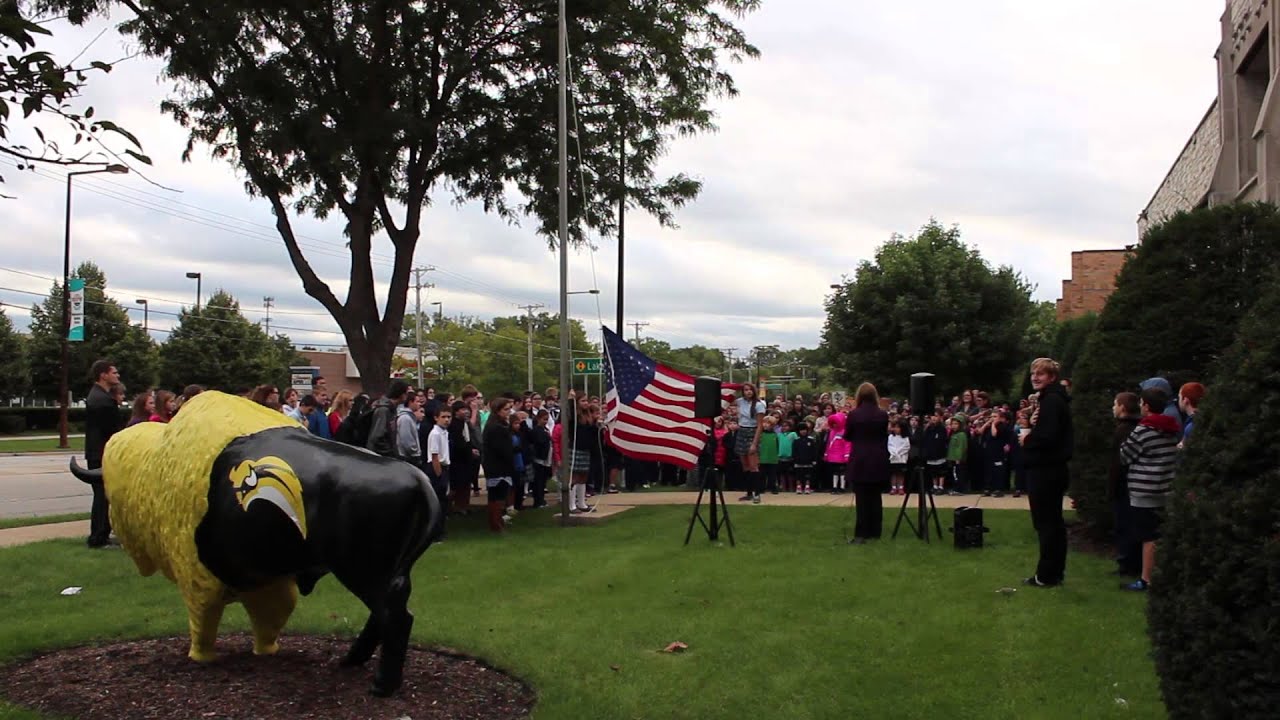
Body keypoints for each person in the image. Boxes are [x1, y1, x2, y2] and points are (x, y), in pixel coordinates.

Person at [1118, 387, 1181, 592]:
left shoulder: (1144, 429)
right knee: (1161, 533)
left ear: (1146, 405)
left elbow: (1125, 456)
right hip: (1165, 485)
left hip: (1145, 488)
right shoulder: (1172, 428)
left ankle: (1147, 578)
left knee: (1148, 536)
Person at [1020, 357, 1074, 588]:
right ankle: (1053, 572)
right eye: (1033, 373)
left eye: (1040, 374)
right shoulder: (1051, 400)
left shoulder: (1052, 401)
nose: (1035, 377)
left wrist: (1028, 437)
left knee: (1047, 524)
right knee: (1052, 523)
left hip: (1046, 470)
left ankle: (1046, 575)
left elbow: (1049, 437)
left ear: (1051, 377)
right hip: (1050, 469)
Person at [83, 360, 122, 549]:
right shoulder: (103, 400)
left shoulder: (99, 396)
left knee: (104, 495)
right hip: (101, 453)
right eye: (114, 372)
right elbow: (111, 430)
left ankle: (102, 534)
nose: (117, 375)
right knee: (101, 496)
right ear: (103, 375)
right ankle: (98, 538)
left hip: (97, 452)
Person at [845, 382, 889, 543]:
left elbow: (848, 435)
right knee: (876, 497)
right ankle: (875, 531)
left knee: (862, 497)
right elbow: (884, 434)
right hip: (878, 457)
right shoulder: (882, 414)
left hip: (860, 458)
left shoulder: (854, 415)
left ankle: (861, 533)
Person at [1108, 391, 1142, 578]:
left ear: (1122, 407)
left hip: (1125, 485)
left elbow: (1119, 463)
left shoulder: (1123, 430)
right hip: (1133, 484)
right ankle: (1130, 562)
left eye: (1115, 404)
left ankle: (1127, 564)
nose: (1113, 407)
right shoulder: (1136, 427)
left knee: (1125, 525)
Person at [481, 398, 517, 532]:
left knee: (499, 495)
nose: (508, 412)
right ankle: (495, 524)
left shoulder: (499, 425)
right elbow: (501, 449)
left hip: (497, 465)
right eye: (506, 409)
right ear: (497, 411)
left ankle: (498, 521)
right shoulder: (496, 427)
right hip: (497, 466)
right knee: (497, 496)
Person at [734, 383, 767, 503]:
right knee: (745, 465)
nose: (748, 392)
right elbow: (729, 398)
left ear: (754, 391)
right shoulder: (740, 401)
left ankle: (757, 493)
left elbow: (759, 426)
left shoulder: (759, 405)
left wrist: (754, 443)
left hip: (752, 432)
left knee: (753, 465)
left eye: (750, 390)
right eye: (745, 390)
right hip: (741, 431)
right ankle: (748, 492)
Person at [366, 380, 407, 457]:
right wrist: (390, 453)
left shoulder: (391, 410)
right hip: (379, 459)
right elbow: (377, 437)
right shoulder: (383, 410)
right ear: (401, 394)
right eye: (405, 393)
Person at [425, 406, 452, 517]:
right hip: (436, 467)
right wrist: (439, 475)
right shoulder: (435, 433)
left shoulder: (444, 432)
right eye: (443, 417)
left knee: (444, 499)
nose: (446, 420)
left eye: (449, 417)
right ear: (436, 418)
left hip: (444, 466)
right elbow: (434, 456)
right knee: (439, 497)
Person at [395, 389, 423, 464]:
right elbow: (406, 439)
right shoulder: (405, 418)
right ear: (410, 402)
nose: (419, 404)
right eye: (417, 401)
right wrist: (415, 452)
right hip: (408, 457)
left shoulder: (410, 417)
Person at [1177, 382, 1204, 447]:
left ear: (1185, 400)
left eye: (1179, 398)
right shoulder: (1206, 418)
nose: (1178, 401)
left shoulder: (1191, 427)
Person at [887, 420, 910, 495]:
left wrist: (899, 452)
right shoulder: (891, 437)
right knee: (893, 473)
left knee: (901, 473)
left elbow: (906, 447)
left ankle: (900, 487)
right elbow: (890, 446)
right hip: (893, 458)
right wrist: (894, 452)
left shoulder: (905, 438)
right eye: (895, 427)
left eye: (898, 427)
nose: (896, 429)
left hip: (902, 458)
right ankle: (893, 487)